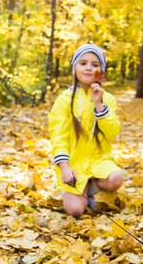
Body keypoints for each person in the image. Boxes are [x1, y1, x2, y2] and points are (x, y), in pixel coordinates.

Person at [48, 43, 124, 216]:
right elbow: (58, 136)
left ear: (101, 71)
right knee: (75, 211)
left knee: (116, 178)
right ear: (75, 67)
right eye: (83, 63)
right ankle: (80, 190)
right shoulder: (65, 99)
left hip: (99, 162)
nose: (89, 68)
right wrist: (64, 167)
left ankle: (94, 187)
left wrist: (98, 104)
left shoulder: (108, 99)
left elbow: (113, 131)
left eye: (95, 65)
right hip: (74, 166)